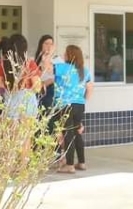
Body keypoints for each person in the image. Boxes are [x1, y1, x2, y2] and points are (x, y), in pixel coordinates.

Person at [54, 45, 93, 173]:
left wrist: (49, 57)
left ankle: (69, 165)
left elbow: (46, 69)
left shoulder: (62, 68)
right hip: (79, 105)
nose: (64, 54)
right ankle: (82, 162)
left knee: (68, 134)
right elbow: (89, 89)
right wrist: (83, 100)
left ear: (69, 55)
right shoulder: (85, 71)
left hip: (66, 104)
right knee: (77, 133)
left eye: (65, 53)